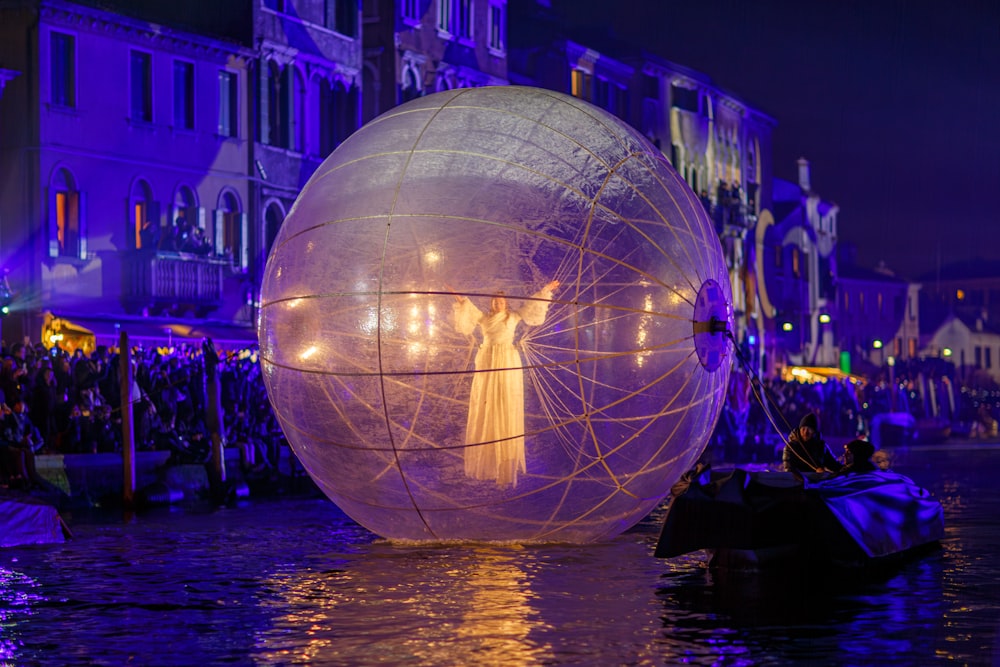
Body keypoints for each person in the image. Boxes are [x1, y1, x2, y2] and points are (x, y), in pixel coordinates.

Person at [452, 280, 559, 488]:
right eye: (495, 302)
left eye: (501, 302)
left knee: (506, 404)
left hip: (508, 361)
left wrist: (547, 290)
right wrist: (457, 295)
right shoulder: (484, 319)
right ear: (492, 304)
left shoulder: (514, 317)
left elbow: (532, 306)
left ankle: (506, 461)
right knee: (488, 403)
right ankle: (489, 454)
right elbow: (468, 308)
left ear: (506, 304)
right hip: (488, 361)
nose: (498, 304)